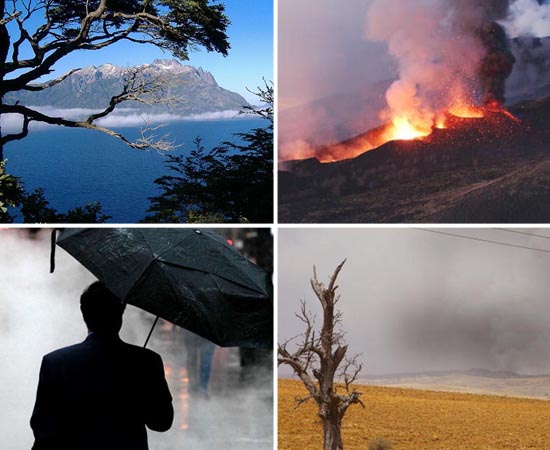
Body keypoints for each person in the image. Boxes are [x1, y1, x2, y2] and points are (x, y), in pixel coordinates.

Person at [30, 281, 174, 450]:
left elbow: (44, 432)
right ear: (120, 315)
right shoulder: (147, 361)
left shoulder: (55, 363)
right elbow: (161, 422)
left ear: (85, 315)